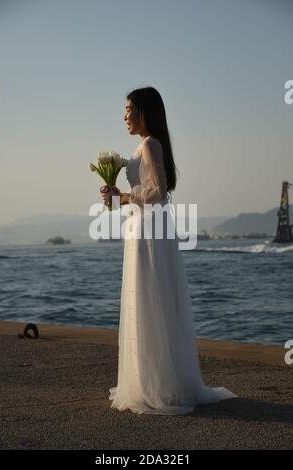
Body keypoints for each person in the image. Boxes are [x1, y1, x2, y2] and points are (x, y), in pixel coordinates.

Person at [100, 86, 237, 415]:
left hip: (149, 230)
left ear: (145, 112)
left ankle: (158, 383)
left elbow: (158, 191)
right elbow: (144, 191)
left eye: (130, 109)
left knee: (151, 299)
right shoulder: (145, 146)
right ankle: (154, 379)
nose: (125, 116)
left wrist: (126, 196)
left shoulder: (149, 144)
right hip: (143, 226)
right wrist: (116, 197)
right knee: (149, 299)